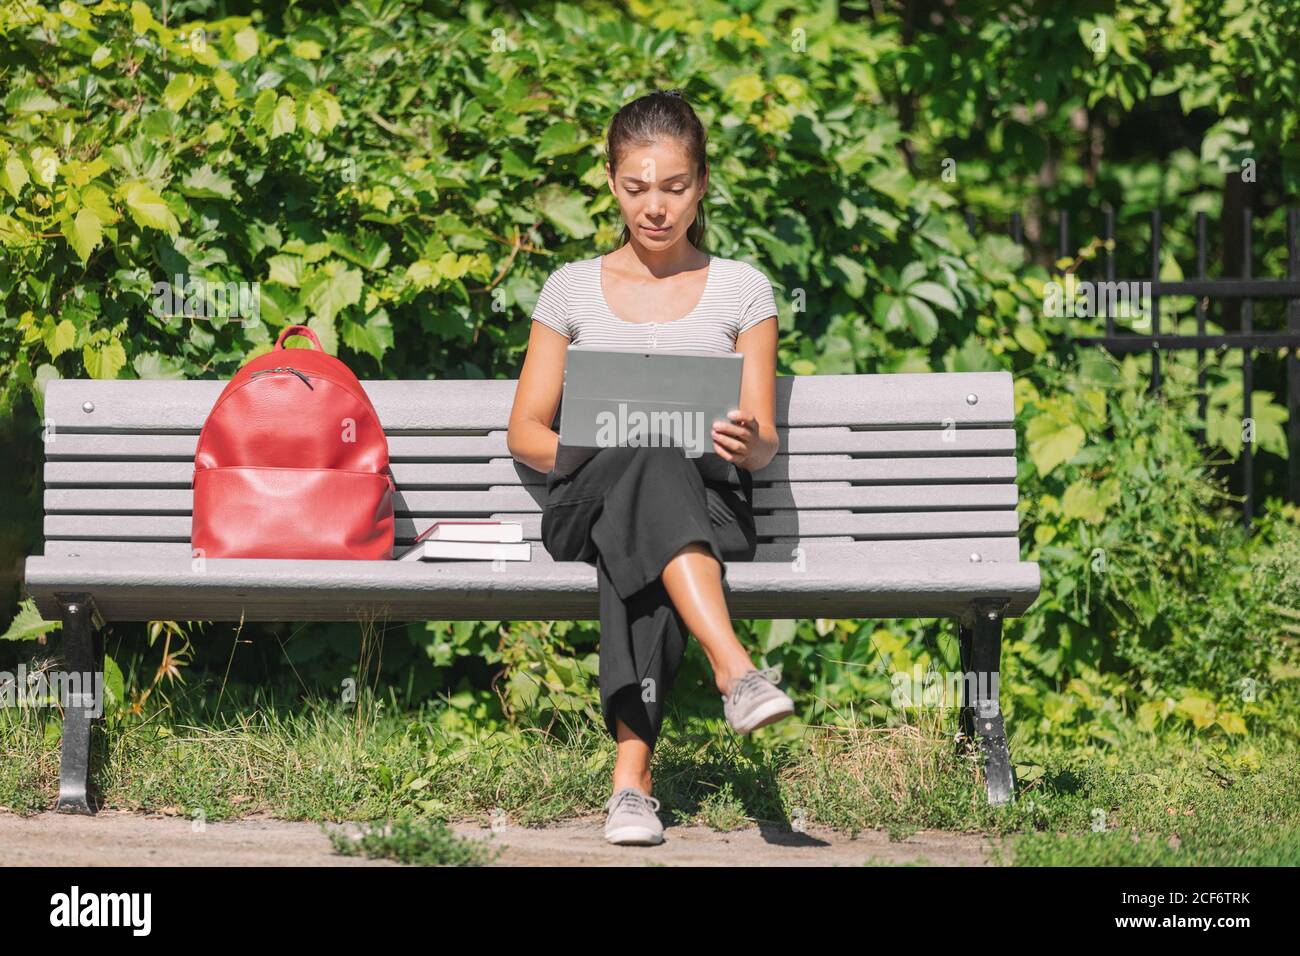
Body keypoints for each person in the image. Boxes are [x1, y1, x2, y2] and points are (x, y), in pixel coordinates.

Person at [506, 88, 794, 846]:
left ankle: (631, 787)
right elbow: (526, 432)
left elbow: (762, 440)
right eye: (637, 188)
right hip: (590, 499)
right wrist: (607, 445)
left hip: (710, 509)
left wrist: (746, 442)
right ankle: (733, 668)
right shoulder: (570, 288)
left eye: (673, 188)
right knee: (643, 463)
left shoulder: (743, 289)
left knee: (650, 522)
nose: (655, 207)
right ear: (611, 182)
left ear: (700, 184)